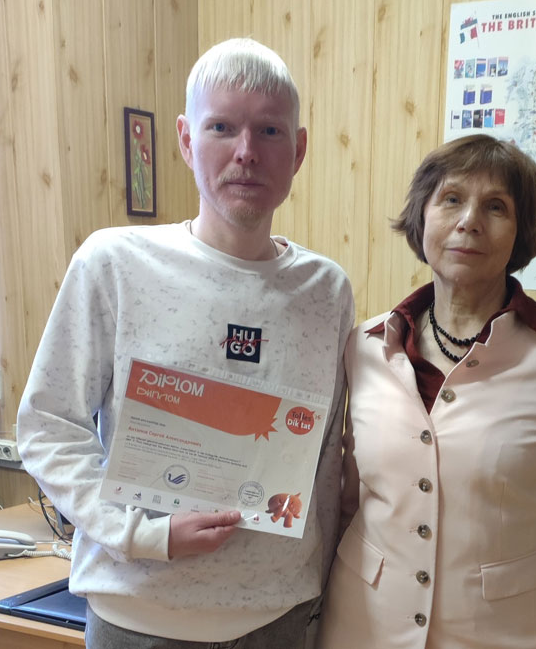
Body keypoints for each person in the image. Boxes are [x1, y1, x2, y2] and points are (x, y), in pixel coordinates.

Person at [17, 38, 354, 648]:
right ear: (185, 139)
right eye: (221, 127)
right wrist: (142, 534)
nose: (246, 152)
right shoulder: (114, 264)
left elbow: (327, 459)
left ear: (299, 150)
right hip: (138, 619)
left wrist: (324, 599)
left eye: (270, 131)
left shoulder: (325, 291)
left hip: (279, 620)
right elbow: (47, 424)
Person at [317, 134, 536, 648]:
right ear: (422, 217)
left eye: (496, 207)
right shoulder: (365, 346)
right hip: (362, 629)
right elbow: (349, 505)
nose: (470, 221)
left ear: (520, 233)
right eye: (451, 199)